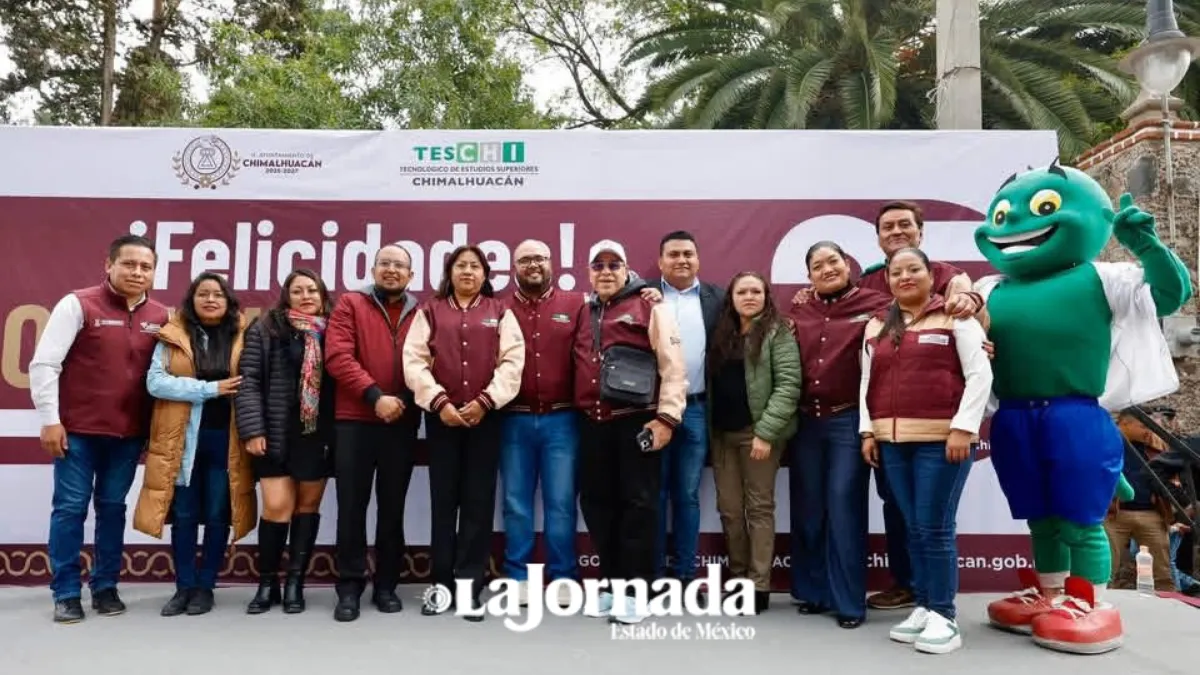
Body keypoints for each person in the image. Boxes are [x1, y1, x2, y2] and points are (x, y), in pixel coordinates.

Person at [793, 202, 988, 611]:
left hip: (936, 430)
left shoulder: (949, 281)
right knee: (900, 510)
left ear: (921, 234)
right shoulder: (869, 288)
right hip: (884, 430)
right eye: (888, 227)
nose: (897, 233)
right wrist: (869, 431)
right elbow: (868, 373)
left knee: (930, 523)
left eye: (905, 225)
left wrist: (976, 323)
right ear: (878, 238)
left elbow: (975, 334)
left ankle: (936, 607)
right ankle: (913, 590)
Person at [29, 234, 169, 623]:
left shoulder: (162, 317)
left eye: (146, 267)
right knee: (70, 509)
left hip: (128, 436)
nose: (137, 272)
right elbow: (45, 365)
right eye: (129, 264)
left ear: (154, 273)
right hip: (76, 433)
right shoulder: (78, 304)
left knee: (112, 509)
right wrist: (50, 420)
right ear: (108, 265)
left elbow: (166, 377)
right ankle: (66, 592)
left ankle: (105, 587)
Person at [859, 247, 992, 655]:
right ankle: (924, 604)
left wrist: (963, 428)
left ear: (930, 276)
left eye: (913, 269)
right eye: (896, 272)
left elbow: (980, 374)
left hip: (942, 441)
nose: (904, 277)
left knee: (935, 527)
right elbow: (866, 382)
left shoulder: (956, 316)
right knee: (913, 527)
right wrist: (868, 432)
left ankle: (944, 616)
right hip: (892, 443)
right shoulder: (876, 324)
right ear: (887, 281)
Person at [403, 245, 526, 620]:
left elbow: (513, 361)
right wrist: (440, 403)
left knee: (477, 504)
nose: (468, 271)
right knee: (444, 504)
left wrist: (486, 401)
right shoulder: (429, 311)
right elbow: (414, 361)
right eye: (461, 266)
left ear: (485, 274)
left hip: (485, 420)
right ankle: (440, 588)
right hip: (442, 419)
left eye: (475, 266)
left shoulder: (500, 311)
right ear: (450, 273)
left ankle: (469, 588)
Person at [571, 240, 687, 624]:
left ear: (626, 269)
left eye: (613, 264)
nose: (606, 271)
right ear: (589, 272)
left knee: (639, 506)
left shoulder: (652, 306)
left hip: (637, 422)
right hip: (593, 424)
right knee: (598, 505)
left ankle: (638, 593)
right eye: (598, 265)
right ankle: (611, 586)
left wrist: (667, 419)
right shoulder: (584, 309)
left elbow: (674, 367)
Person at [133, 272, 255, 616]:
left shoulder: (245, 336)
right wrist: (209, 389)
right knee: (184, 514)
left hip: (226, 439)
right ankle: (183, 586)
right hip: (183, 439)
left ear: (229, 302)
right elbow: (156, 382)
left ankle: (205, 586)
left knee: (217, 514)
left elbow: (254, 381)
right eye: (203, 294)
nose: (211, 300)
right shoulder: (173, 334)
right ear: (192, 299)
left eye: (218, 294)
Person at [788, 241, 890, 628]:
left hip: (848, 421)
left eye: (833, 261)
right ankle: (814, 592)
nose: (827, 269)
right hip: (806, 423)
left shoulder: (877, 304)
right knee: (809, 509)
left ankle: (848, 603)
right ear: (808, 275)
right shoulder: (800, 309)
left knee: (844, 506)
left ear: (848, 265)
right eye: (817, 265)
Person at [325, 245, 421, 622]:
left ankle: (386, 586)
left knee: (392, 508)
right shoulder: (351, 303)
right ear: (373, 270)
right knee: (351, 507)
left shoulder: (421, 312)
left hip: (402, 421)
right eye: (385, 264)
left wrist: (403, 401)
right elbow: (338, 357)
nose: (392, 270)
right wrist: (375, 396)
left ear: (411, 275)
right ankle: (349, 587)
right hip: (354, 421)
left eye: (400, 265)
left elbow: (428, 361)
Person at [234, 268, 337, 615]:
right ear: (286, 297)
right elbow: (248, 381)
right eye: (298, 291)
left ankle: (295, 583)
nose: (306, 296)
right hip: (274, 432)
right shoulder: (265, 328)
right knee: (277, 507)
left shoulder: (334, 331)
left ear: (322, 296)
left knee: (307, 508)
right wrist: (253, 430)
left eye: (312, 290)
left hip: (316, 434)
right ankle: (267, 584)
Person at [706, 271, 800, 613]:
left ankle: (759, 586)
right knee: (730, 510)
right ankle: (738, 579)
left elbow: (788, 385)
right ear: (731, 298)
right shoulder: (722, 333)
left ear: (766, 296)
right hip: (722, 435)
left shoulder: (778, 332)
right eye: (742, 292)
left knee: (759, 509)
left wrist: (765, 433)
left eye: (755, 291)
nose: (749, 297)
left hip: (758, 434)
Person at [647, 231, 724, 585]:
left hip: (696, 409)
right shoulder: (644, 295)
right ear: (660, 261)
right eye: (674, 254)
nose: (681, 260)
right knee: (654, 493)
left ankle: (685, 575)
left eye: (688, 254)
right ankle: (654, 575)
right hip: (654, 411)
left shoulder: (717, 299)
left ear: (698, 259)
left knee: (687, 495)